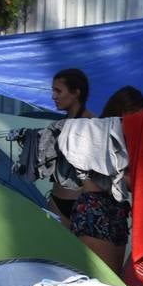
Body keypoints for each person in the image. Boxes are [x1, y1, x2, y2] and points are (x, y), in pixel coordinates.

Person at [70, 86, 143, 274]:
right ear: (125, 113)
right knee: (104, 280)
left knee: (115, 279)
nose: (141, 124)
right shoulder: (98, 133)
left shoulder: (125, 138)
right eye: (139, 118)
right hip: (95, 209)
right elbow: (110, 179)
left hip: (117, 211)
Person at [48, 68, 94, 225]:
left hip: (81, 203)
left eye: (58, 91)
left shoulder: (93, 124)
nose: (53, 96)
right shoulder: (60, 124)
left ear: (76, 93)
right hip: (56, 200)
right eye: (53, 90)